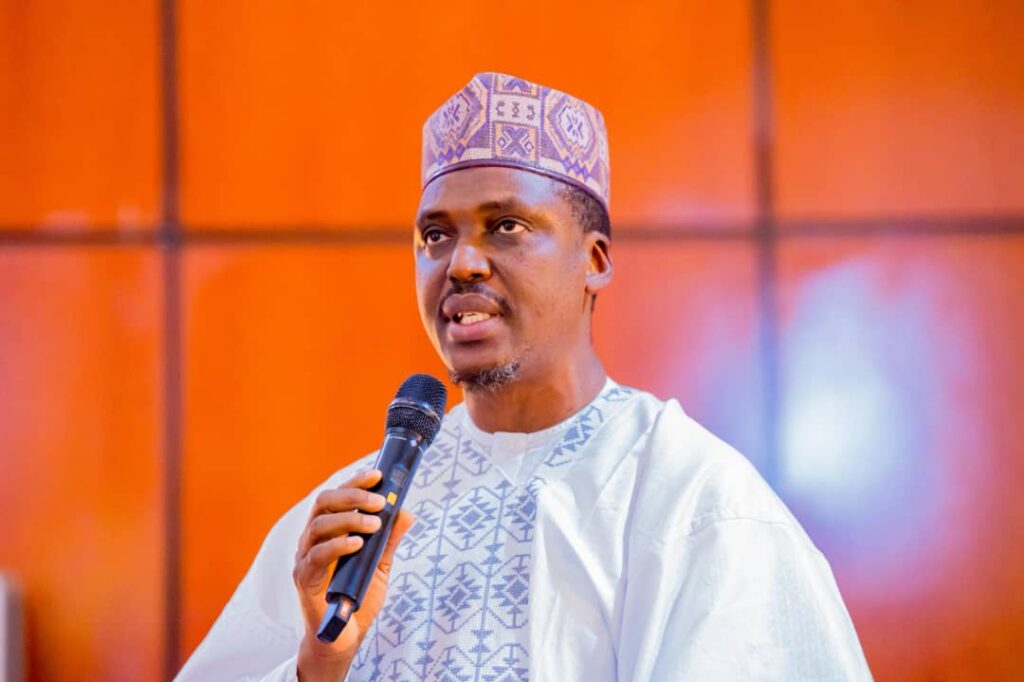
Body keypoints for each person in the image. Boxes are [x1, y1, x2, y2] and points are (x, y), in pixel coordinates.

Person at [176, 73, 872, 681]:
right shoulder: (348, 525)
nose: (461, 263)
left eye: (505, 226)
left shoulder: (691, 500)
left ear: (594, 261)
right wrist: (316, 667)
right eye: (435, 235)